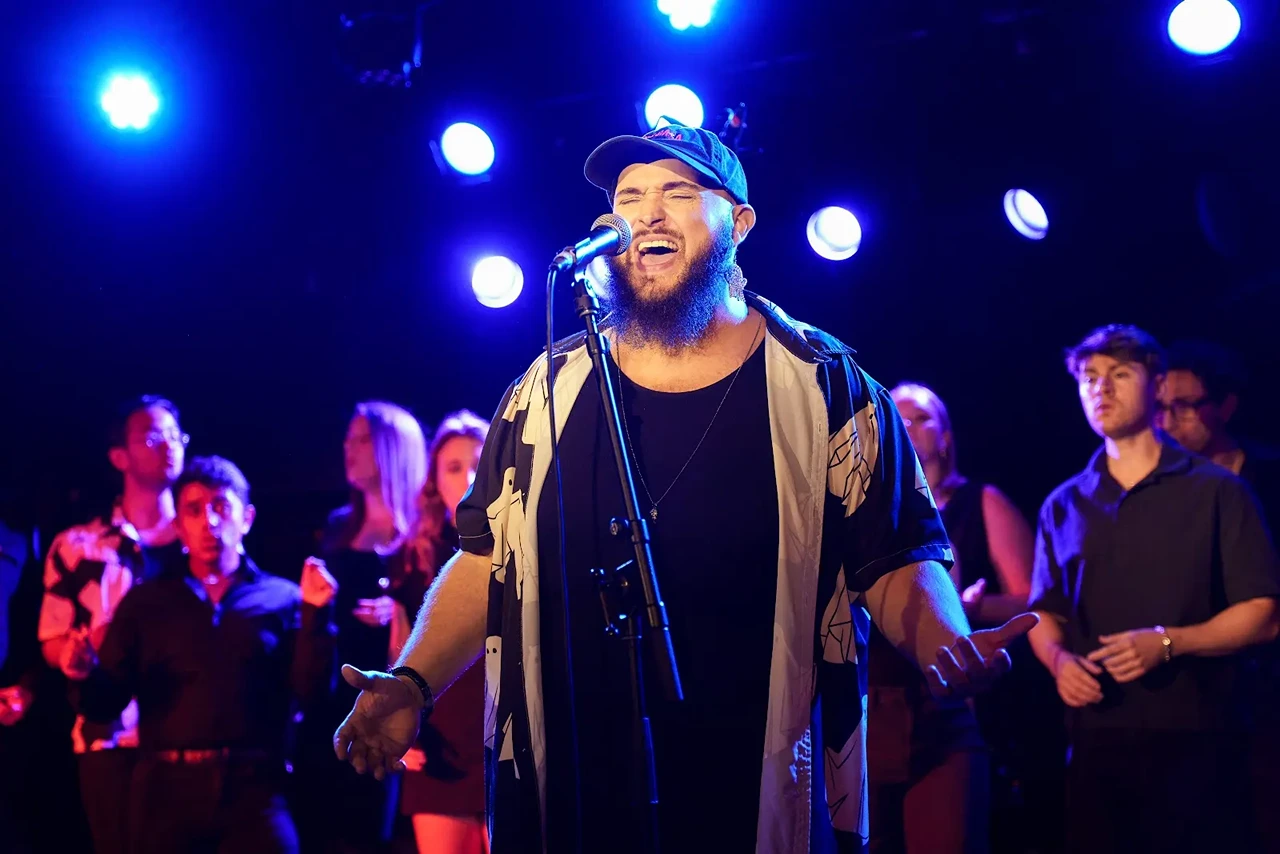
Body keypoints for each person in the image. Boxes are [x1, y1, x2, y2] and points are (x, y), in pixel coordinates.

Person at [334, 121, 1036, 854]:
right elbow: (486, 562)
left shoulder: (829, 388)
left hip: (758, 787)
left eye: (676, 191)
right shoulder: (542, 394)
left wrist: (943, 641)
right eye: (629, 196)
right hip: (576, 792)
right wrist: (413, 682)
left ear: (738, 223)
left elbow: (893, 559)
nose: (648, 212)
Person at [1026, 324, 1280, 854]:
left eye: (1120, 374)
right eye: (1089, 377)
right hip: (1097, 742)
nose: (1102, 389)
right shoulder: (1063, 504)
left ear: (1158, 385)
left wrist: (1169, 641)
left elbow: (1263, 613)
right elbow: (1044, 613)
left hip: (1200, 740)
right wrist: (1058, 663)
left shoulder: (1218, 490)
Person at [67, 455, 338, 854]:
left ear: (246, 518)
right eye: (193, 511)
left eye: (221, 508)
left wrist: (317, 616)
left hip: (254, 790)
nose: (209, 522)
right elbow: (105, 704)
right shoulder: (147, 602)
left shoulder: (282, 599)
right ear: (178, 526)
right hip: (166, 792)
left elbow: (313, 693)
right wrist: (82, 673)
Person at [864, 383, 1037, 854]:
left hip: (945, 699)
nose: (909, 427)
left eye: (921, 418)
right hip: (870, 706)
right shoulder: (866, 507)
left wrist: (967, 609)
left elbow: (1032, 598)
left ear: (945, 436)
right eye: (897, 418)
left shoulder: (981, 501)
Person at [37, 395, 188, 854]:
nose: (167, 445)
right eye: (151, 436)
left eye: (174, 435)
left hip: (189, 729)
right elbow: (50, 635)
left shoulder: (200, 542)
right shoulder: (77, 545)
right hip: (110, 735)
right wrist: (75, 654)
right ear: (119, 456)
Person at [299, 402, 427, 853]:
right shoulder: (338, 526)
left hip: (395, 702)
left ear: (393, 449)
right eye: (347, 439)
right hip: (335, 696)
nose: (348, 449)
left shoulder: (423, 530)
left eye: (361, 439)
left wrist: (397, 609)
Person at [395, 411, 489, 854]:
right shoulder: (411, 565)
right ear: (434, 482)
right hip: (439, 750)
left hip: (507, 742)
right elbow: (394, 654)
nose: (470, 476)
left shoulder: (530, 547)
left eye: (479, 460)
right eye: (454, 467)